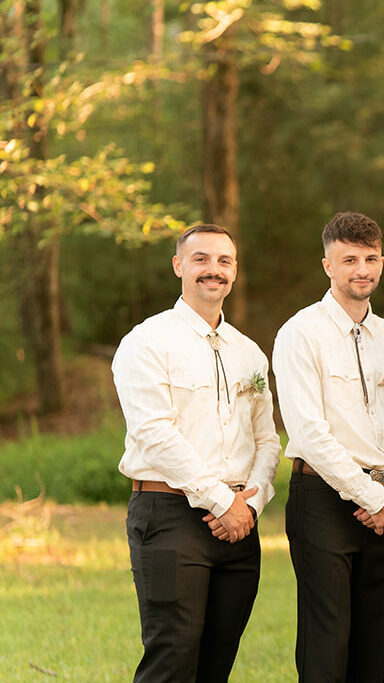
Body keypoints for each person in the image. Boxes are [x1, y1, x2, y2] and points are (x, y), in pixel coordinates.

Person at [113, 223, 281, 682]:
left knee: (218, 660)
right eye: (201, 259)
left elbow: (267, 440)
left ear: (235, 271)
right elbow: (155, 434)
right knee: (172, 657)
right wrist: (221, 501)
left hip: (239, 522)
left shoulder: (248, 352)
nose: (214, 270)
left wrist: (251, 501)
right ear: (178, 266)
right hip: (169, 514)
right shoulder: (147, 342)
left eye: (224, 261)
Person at [274, 212, 384, 682]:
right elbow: (309, 432)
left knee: (370, 640)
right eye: (350, 260)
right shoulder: (301, 333)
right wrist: (372, 498)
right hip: (323, 499)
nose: (362, 269)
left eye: (371, 258)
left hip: (383, 508)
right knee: (327, 638)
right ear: (328, 266)